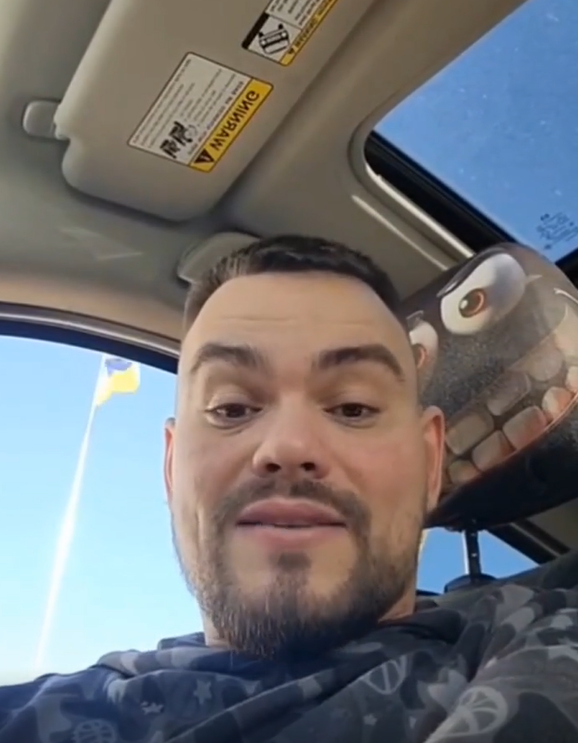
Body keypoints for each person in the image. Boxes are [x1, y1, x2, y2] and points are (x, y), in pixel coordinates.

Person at [2, 234, 578, 743]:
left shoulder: (543, 638)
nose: (288, 446)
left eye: (352, 407)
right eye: (231, 408)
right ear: (172, 467)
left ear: (430, 462)